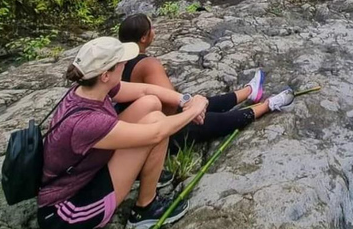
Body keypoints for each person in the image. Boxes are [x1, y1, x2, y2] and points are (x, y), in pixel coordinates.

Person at [37, 36, 209, 229]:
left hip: (86, 173)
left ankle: (141, 172)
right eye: (121, 62)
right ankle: (145, 208)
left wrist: (185, 100)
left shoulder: (90, 89)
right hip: (68, 211)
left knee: (150, 103)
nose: (126, 63)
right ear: (105, 75)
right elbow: (156, 134)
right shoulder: (86, 122)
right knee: (157, 123)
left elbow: (145, 91)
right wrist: (194, 110)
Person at [117, 13, 294, 150]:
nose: (154, 31)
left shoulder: (116, 62)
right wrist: (187, 113)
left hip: (138, 124)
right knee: (220, 121)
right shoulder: (148, 64)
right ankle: (269, 105)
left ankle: (249, 91)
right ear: (143, 38)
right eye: (152, 29)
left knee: (205, 102)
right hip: (162, 130)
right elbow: (171, 106)